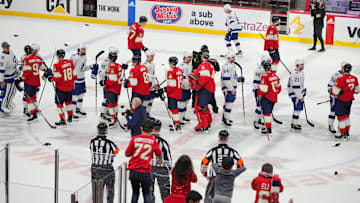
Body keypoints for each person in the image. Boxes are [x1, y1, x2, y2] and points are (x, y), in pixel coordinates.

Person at [201, 130, 244, 203]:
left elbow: (204, 163)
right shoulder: (232, 151)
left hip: (214, 179)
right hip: (227, 180)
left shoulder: (213, 151)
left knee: (209, 199)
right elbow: (241, 164)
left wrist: (205, 174)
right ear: (227, 138)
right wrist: (233, 174)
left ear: (219, 138)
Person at [125, 118, 162, 203]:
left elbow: (127, 153)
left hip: (134, 170)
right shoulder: (153, 141)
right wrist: (159, 161)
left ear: (141, 128)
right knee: (146, 194)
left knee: (135, 193)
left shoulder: (134, 139)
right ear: (152, 130)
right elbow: (159, 154)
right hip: (145, 171)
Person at [15, 44, 46, 122]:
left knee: (29, 98)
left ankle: (33, 113)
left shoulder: (27, 58)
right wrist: (47, 71)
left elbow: (27, 71)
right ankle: (31, 110)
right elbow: (43, 67)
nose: (36, 52)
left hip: (29, 81)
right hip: (36, 81)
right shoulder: (38, 58)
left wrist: (21, 78)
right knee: (32, 97)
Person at [45, 49, 77, 126]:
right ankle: (70, 117)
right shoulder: (70, 62)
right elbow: (75, 75)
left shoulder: (57, 64)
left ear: (57, 56)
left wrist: (51, 78)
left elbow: (57, 78)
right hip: (70, 87)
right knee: (68, 102)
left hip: (61, 88)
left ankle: (62, 119)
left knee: (59, 104)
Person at [90, 122, 119, 203]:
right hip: (107, 168)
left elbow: (91, 149)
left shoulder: (92, 141)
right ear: (106, 131)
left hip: (95, 167)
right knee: (110, 189)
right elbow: (116, 151)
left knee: (96, 190)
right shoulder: (109, 141)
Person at [332, 62, 359, 139]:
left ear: (343, 69)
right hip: (349, 101)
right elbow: (357, 91)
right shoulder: (355, 78)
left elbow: (334, 93)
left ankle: (342, 133)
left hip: (341, 101)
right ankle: (347, 132)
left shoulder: (340, 79)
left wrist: (337, 91)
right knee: (347, 117)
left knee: (341, 118)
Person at [192, 45, 220, 113]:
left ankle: (197, 107)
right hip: (208, 83)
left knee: (198, 94)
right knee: (206, 95)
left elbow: (194, 67)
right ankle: (213, 107)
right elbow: (217, 69)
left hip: (203, 82)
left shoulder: (204, 62)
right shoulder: (210, 62)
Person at [150, 119, 172, 203]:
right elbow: (169, 159)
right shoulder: (163, 142)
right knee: (165, 193)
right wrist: (169, 168)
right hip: (162, 169)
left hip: (148, 168)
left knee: (148, 192)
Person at [97, 47, 121, 122]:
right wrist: (105, 74)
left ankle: (108, 112)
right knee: (106, 99)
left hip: (112, 83)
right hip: (108, 83)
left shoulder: (114, 64)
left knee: (112, 100)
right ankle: (103, 112)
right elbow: (100, 73)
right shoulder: (105, 61)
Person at [257, 62, 281, 134]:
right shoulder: (275, 76)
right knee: (269, 113)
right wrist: (274, 94)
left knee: (266, 113)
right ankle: (267, 126)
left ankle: (268, 128)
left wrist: (259, 93)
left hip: (267, 98)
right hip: (274, 98)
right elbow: (279, 88)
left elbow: (264, 90)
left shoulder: (264, 77)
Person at [194, 51, 215, 131]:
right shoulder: (210, 65)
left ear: (202, 57)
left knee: (200, 107)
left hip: (205, 88)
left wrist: (198, 85)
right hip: (210, 88)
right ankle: (208, 121)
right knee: (204, 106)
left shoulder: (204, 65)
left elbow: (204, 77)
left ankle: (204, 124)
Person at [101, 51, 123, 127]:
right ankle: (115, 117)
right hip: (118, 88)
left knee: (110, 104)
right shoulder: (119, 65)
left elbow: (112, 80)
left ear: (110, 58)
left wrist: (104, 82)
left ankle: (114, 119)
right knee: (115, 104)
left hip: (112, 89)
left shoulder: (112, 66)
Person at [221, 52, 243, 126]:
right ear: (229, 58)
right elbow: (226, 79)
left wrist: (238, 79)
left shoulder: (231, 65)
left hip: (231, 87)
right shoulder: (226, 66)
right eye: (232, 57)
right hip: (228, 88)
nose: (234, 58)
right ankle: (226, 119)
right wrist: (231, 89)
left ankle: (225, 117)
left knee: (228, 103)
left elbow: (233, 77)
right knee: (229, 103)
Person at [70, 44, 92, 116]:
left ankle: (78, 109)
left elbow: (83, 68)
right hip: (75, 80)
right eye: (83, 49)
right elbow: (70, 69)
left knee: (81, 95)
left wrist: (91, 67)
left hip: (82, 79)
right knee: (74, 96)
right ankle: (72, 112)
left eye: (85, 49)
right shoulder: (74, 57)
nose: (84, 50)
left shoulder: (84, 57)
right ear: (79, 50)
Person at [253, 52, 271, 129]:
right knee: (259, 106)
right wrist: (260, 92)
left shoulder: (262, 68)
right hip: (259, 91)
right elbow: (258, 82)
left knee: (261, 106)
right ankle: (256, 121)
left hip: (261, 90)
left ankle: (259, 119)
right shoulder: (260, 70)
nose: (270, 63)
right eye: (268, 61)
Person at [287, 59, 306, 130]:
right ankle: (294, 123)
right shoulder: (296, 75)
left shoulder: (300, 72)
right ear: (298, 65)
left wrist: (303, 90)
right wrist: (300, 96)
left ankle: (294, 123)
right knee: (297, 109)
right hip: (295, 94)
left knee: (297, 109)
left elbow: (300, 84)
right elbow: (295, 87)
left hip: (297, 93)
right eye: (302, 64)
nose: (303, 66)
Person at [165, 56, 183, 131]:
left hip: (173, 93)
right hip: (178, 91)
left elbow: (172, 85)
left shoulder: (171, 71)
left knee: (173, 108)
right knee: (174, 108)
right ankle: (175, 122)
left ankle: (176, 123)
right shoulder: (179, 70)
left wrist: (165, 89)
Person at [0, 41, 17, 115]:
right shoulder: (2, 57)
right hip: (6, 78)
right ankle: (2, 106)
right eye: (6, 47)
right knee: (6, 93)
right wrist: (1, 81)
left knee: (13, 91)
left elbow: (15, 61)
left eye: (8, 47)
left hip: (12, 76)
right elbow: (1, 70)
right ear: (3, 48)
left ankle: (8, 103)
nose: (8, 48)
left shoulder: (11, 52)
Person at [327, 65, 344, 134]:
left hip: (343, 98)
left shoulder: (348, 76)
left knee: (342, 113)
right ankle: (330, 125)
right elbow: (329, 87)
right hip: (335, 97)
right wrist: (334, 95)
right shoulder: (336, 75)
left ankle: (340, 128)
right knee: (333, 111)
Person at [17, 45, 33, 117]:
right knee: (26, 93)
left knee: (34, 94)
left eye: (29, 50)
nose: (28, 52)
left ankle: (33, 108)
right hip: (26, 77)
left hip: (34, 77)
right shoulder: (23, 57)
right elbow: (19, 65)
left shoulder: (33, 57)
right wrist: (20, 67)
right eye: (27, 50)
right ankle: (25, 108)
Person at [177, 52, 193, 124]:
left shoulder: (190, 65)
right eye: (189, 57)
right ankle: (179, 119)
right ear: (185, 58)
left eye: (191, 57)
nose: (190, 59)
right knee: (182, 103)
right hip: (183, 88)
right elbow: (182, 79)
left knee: (186, 102)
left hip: (188, 87)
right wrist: (188, 85)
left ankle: (182, 116)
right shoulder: (182, 66)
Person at [143, 50, 156, 117]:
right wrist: (153, 84)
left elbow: (153, 75)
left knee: (151, 100)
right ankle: (144, 114)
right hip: (147, 86)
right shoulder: (145, 65)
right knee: (146, 101)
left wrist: (155, 83)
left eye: (153, 56)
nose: (153, 57)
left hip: (152, 86)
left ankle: (148, 113)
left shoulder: (153, 64)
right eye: (152, 56)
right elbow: (147, 76)